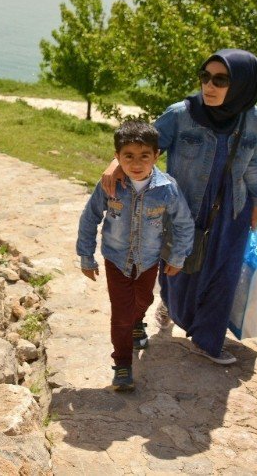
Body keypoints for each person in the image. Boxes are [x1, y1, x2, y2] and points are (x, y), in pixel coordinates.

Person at [102, 49, 257, 366]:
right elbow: (145, 145)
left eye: (221, 79)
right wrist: (115, 165)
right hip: (184, 209)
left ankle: (208, 339)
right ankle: (173, 307)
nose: (209, 86)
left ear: (242, 85)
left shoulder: (254, 118)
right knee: (180, 271)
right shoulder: (181, 114)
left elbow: (252, 164)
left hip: (233, 209)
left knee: (223, 275)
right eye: (205, 77)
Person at [79, 120, 194, 391]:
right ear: (117, 157)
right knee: (120, 313)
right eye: (128, 156)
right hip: (116, 259)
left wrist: (178, 257)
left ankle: (137, 322)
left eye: (145, 156)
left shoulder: (167, 188)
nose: (137, 163)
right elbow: (89, 218)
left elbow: (183, 223)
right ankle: (122, 365)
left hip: (149, 259)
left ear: (156, 156)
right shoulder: (110, 186)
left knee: (144, 298)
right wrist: (86, 255)